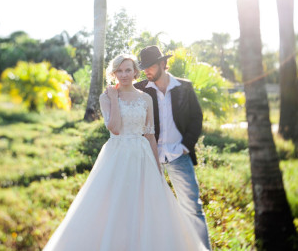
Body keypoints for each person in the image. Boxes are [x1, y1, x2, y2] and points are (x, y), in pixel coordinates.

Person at [43, 54, 206, 251]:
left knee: (144, 207)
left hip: (142, 155)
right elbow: (115, 128)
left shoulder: (146, 97)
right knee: (115, 206)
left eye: (128, 70)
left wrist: (157, 168)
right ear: (113, 73)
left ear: (135, 72)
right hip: (117, 155)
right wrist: (113, 97)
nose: (124, 74)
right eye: (119, 71)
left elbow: (150, 135)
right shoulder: (106, 97)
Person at [134, 45, 212, 250]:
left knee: (192, 208)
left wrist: (186, 146)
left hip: (179, 155)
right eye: (144, 67)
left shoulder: (184, 87)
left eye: (149, 66)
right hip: (150, 158)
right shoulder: (140, 89)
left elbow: (197, 117)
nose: (146, 71)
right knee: (148, 210)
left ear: (162, 64)